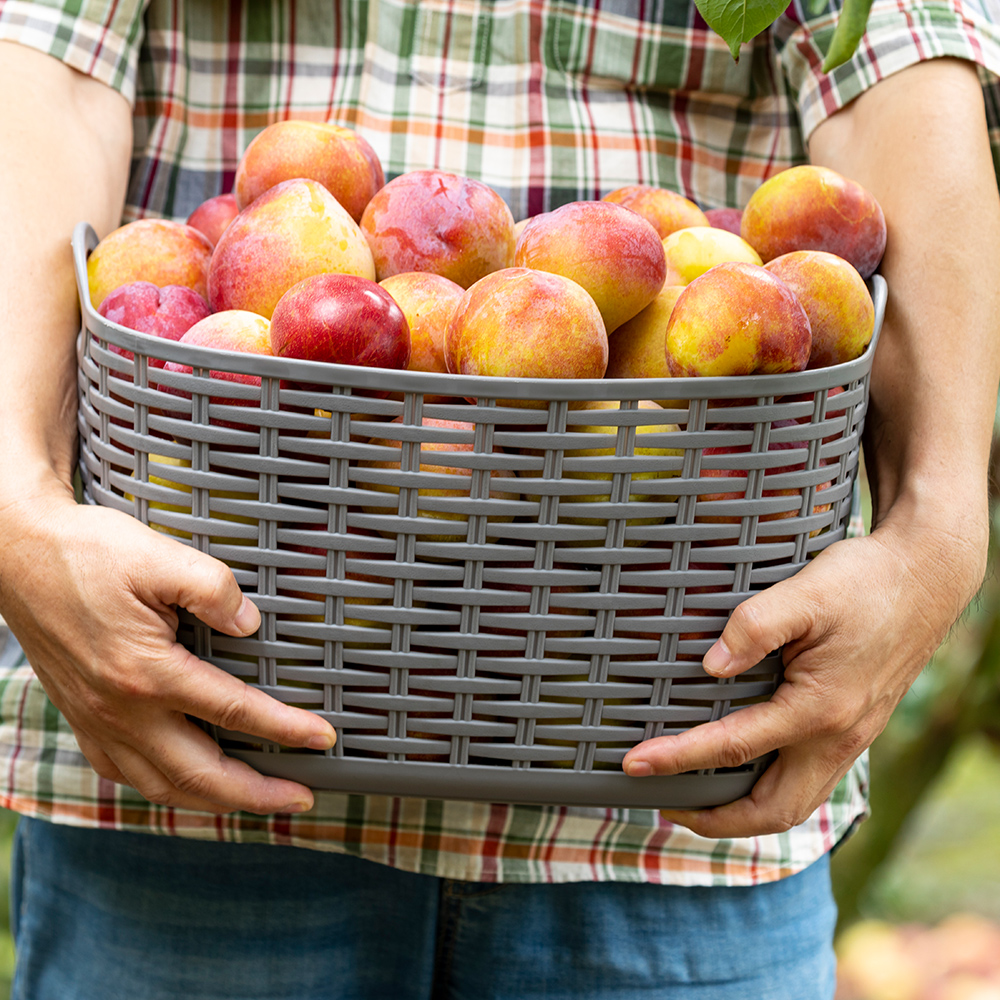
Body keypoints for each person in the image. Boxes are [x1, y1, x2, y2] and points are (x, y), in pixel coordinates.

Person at [0, 0, 998, 996]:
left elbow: (900, 65)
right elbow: (49, 62)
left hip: (672, 769)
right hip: (186, 736)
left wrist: (938, 526)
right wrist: (16, 505)